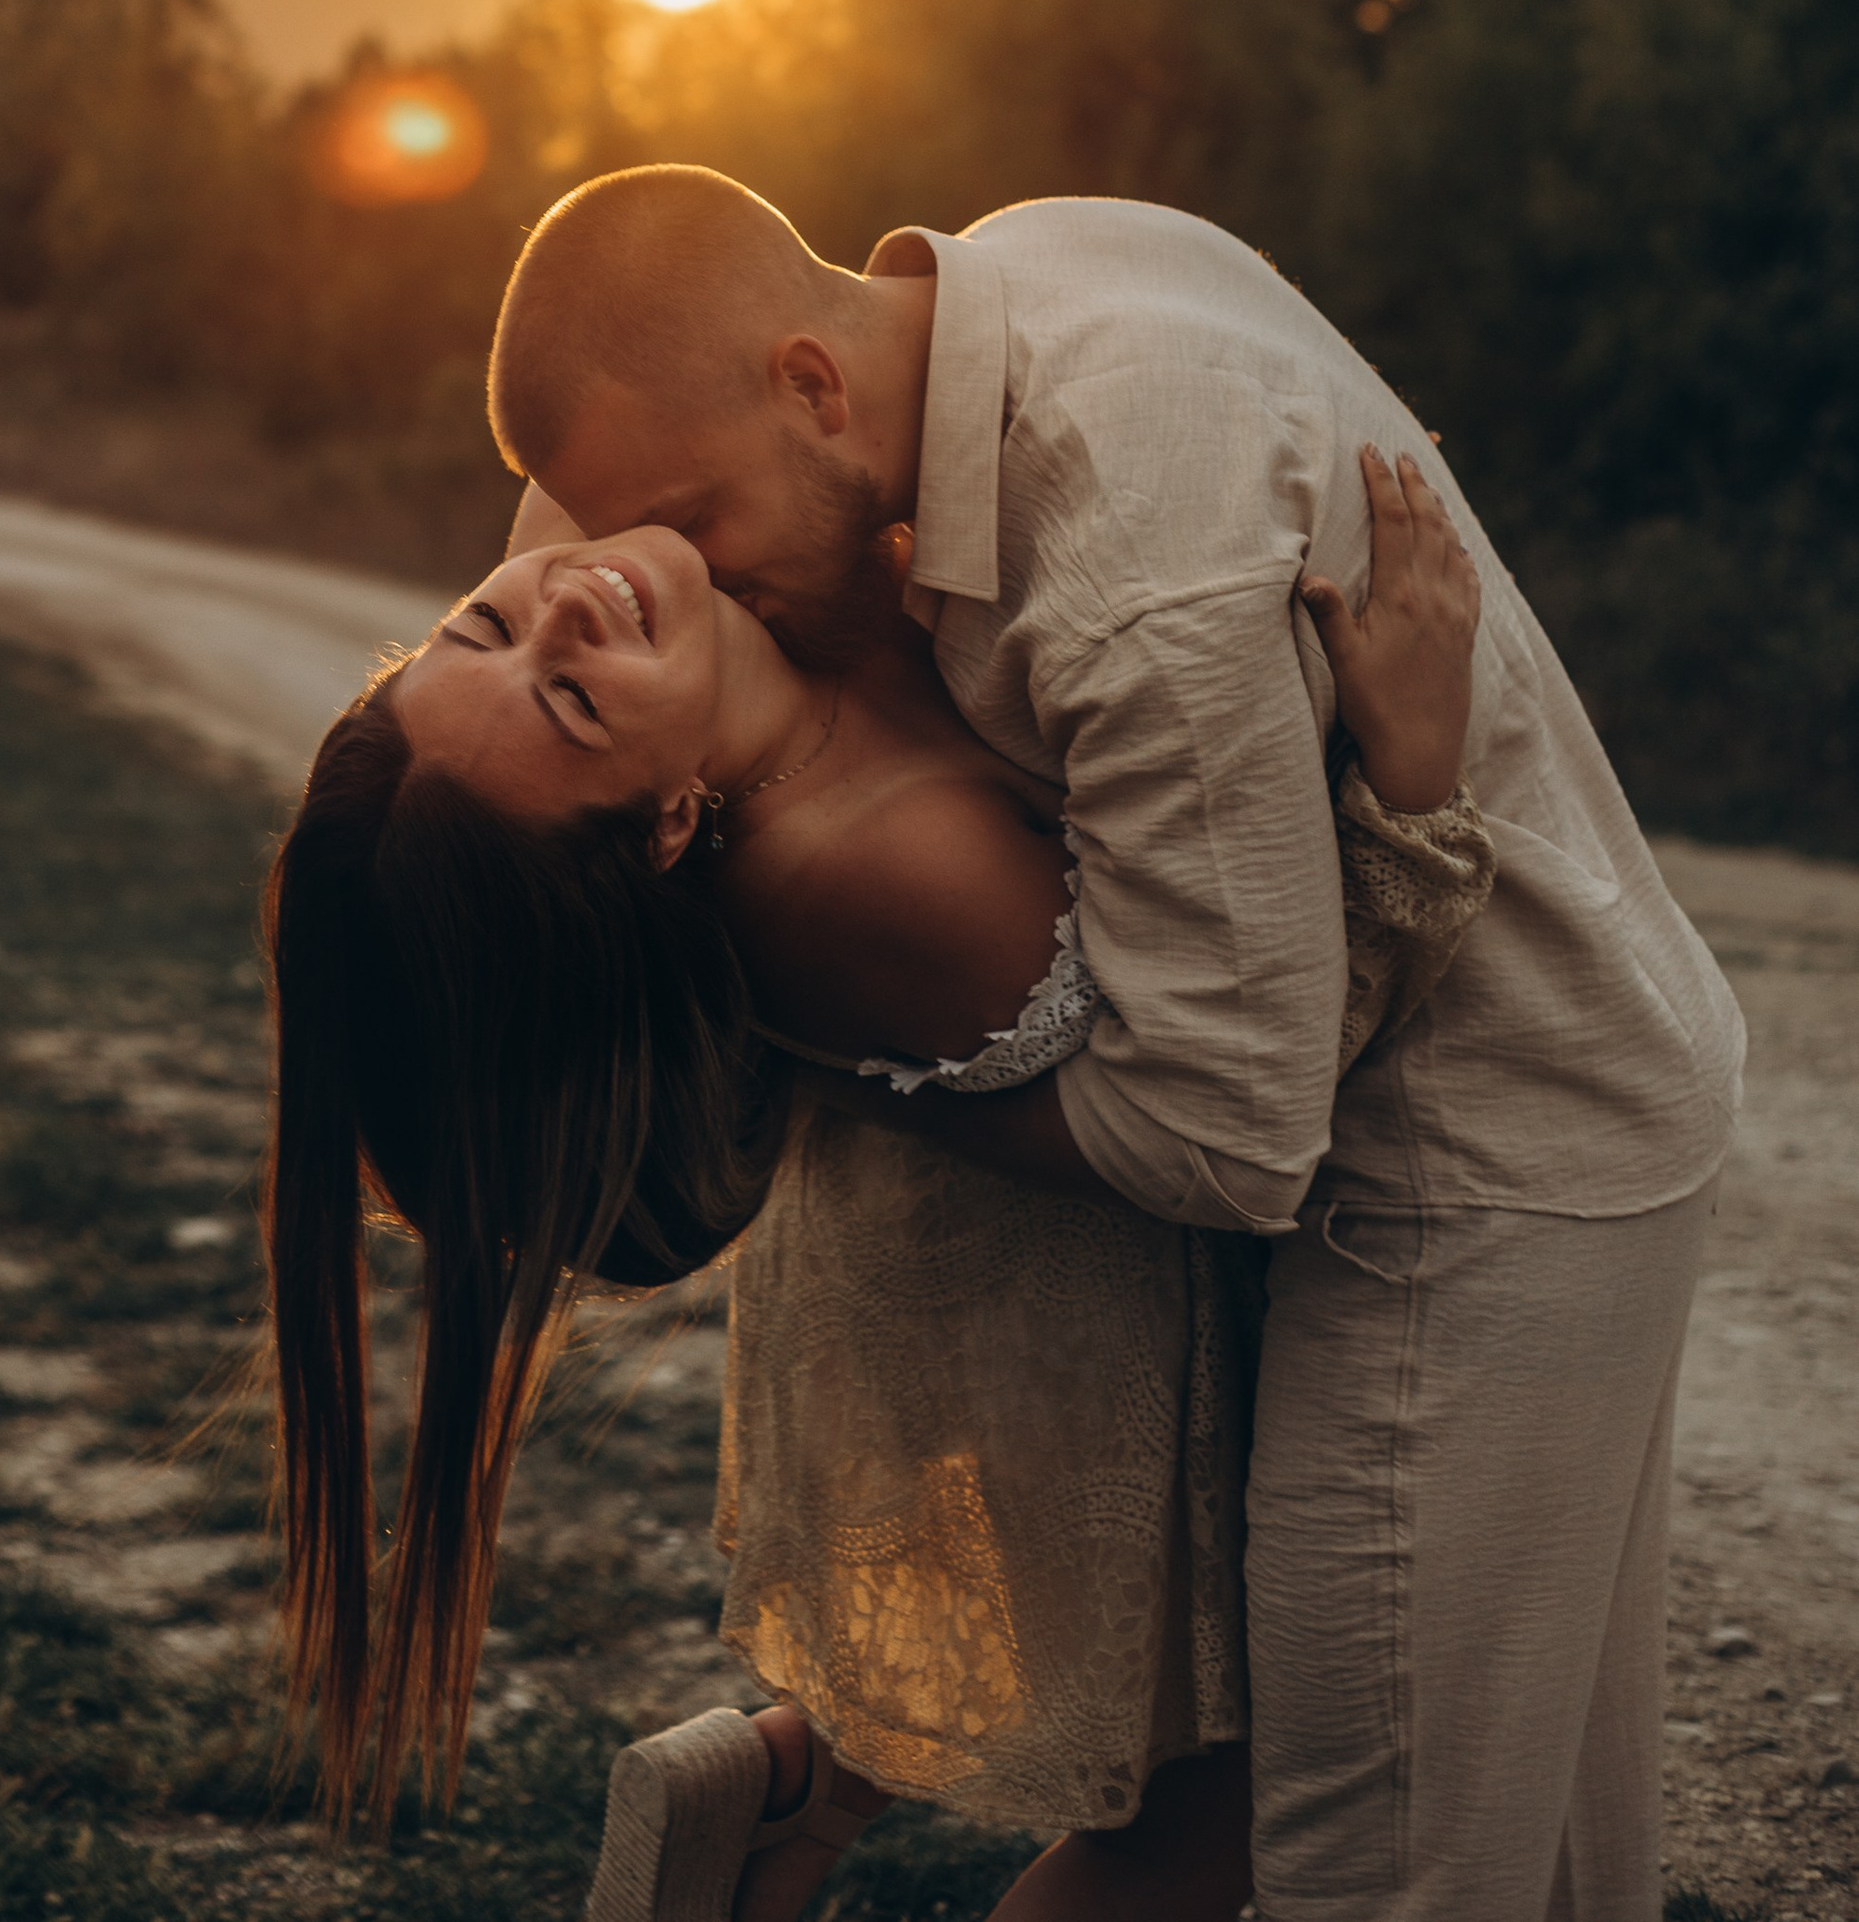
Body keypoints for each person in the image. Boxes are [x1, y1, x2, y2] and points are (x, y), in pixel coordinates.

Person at [483, 169, 1746, 1922]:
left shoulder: (1127, 561)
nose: (695, 578)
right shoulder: (1045, 259)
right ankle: (793, 1805)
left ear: (813, 384)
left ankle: (790, 1808)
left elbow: (1235, 1137)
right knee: (1519, 1853)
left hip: (1480, 1177)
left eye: (699, 519)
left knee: (1387, 1872)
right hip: (1539, 1094)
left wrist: (850, 1070)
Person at [265, 441, 1488, 1916]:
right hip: (1062, 1309)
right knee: (1223, 1794)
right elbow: (1263, 1062)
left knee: (1087, 1670)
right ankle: (795, 1798)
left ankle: (785, 1801)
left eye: (480, 624)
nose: (563, 606)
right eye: (571, 698)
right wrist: (1411, 787)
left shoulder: (627, 603)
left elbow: (578, 466)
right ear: (665, 827)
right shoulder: (903, 874)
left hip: (941, 1260)